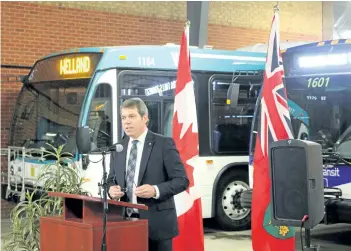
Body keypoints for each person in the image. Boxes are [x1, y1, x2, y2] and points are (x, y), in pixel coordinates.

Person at [107, 97, 189, 251]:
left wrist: (155, 190)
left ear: (145, 118)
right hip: (124, 223)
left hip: (157, 226)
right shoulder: (118, 148)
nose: (126, 122)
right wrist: (111, 190)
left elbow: (182, 180)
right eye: (123, 118)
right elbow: (110, 179)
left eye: (132, 116)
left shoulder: (164, 144)